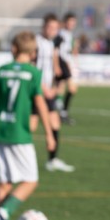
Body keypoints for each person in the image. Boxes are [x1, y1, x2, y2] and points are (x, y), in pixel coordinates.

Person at [0, 31, 57, 220]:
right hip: (20, 135)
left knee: (4, 183)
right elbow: (41, 103)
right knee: (30, 180)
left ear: (13, 49)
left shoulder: (2, 70)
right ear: (33, 53)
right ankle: (3, 214)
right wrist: (49, 134)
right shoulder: (33, 73)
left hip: (0, 133)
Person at [33, 13, 74, 172]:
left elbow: (55, 65)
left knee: (55, 123)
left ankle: (52, 160)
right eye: (50, 27)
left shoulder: (52, 44)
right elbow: (34, 67)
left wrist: (57, 82)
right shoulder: (36, 42)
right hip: (36, 90)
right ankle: (3, 148)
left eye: (55, 28)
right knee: (31, 126)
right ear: (43, 27)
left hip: (48, 91)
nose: (52, 30)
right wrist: (44, 88)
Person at [54, 12, 79, 124]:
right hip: (63, 62)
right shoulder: (62, 34)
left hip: (66, 62)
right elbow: (57, 49)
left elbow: (72, 50)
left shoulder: (69, 34)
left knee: (60, 87)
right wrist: (59, 65)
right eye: (70, 22)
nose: (72, 24)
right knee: (72, 88)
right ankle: (62, 111)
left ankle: (58, 108)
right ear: (65, 22)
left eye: (73, 22)